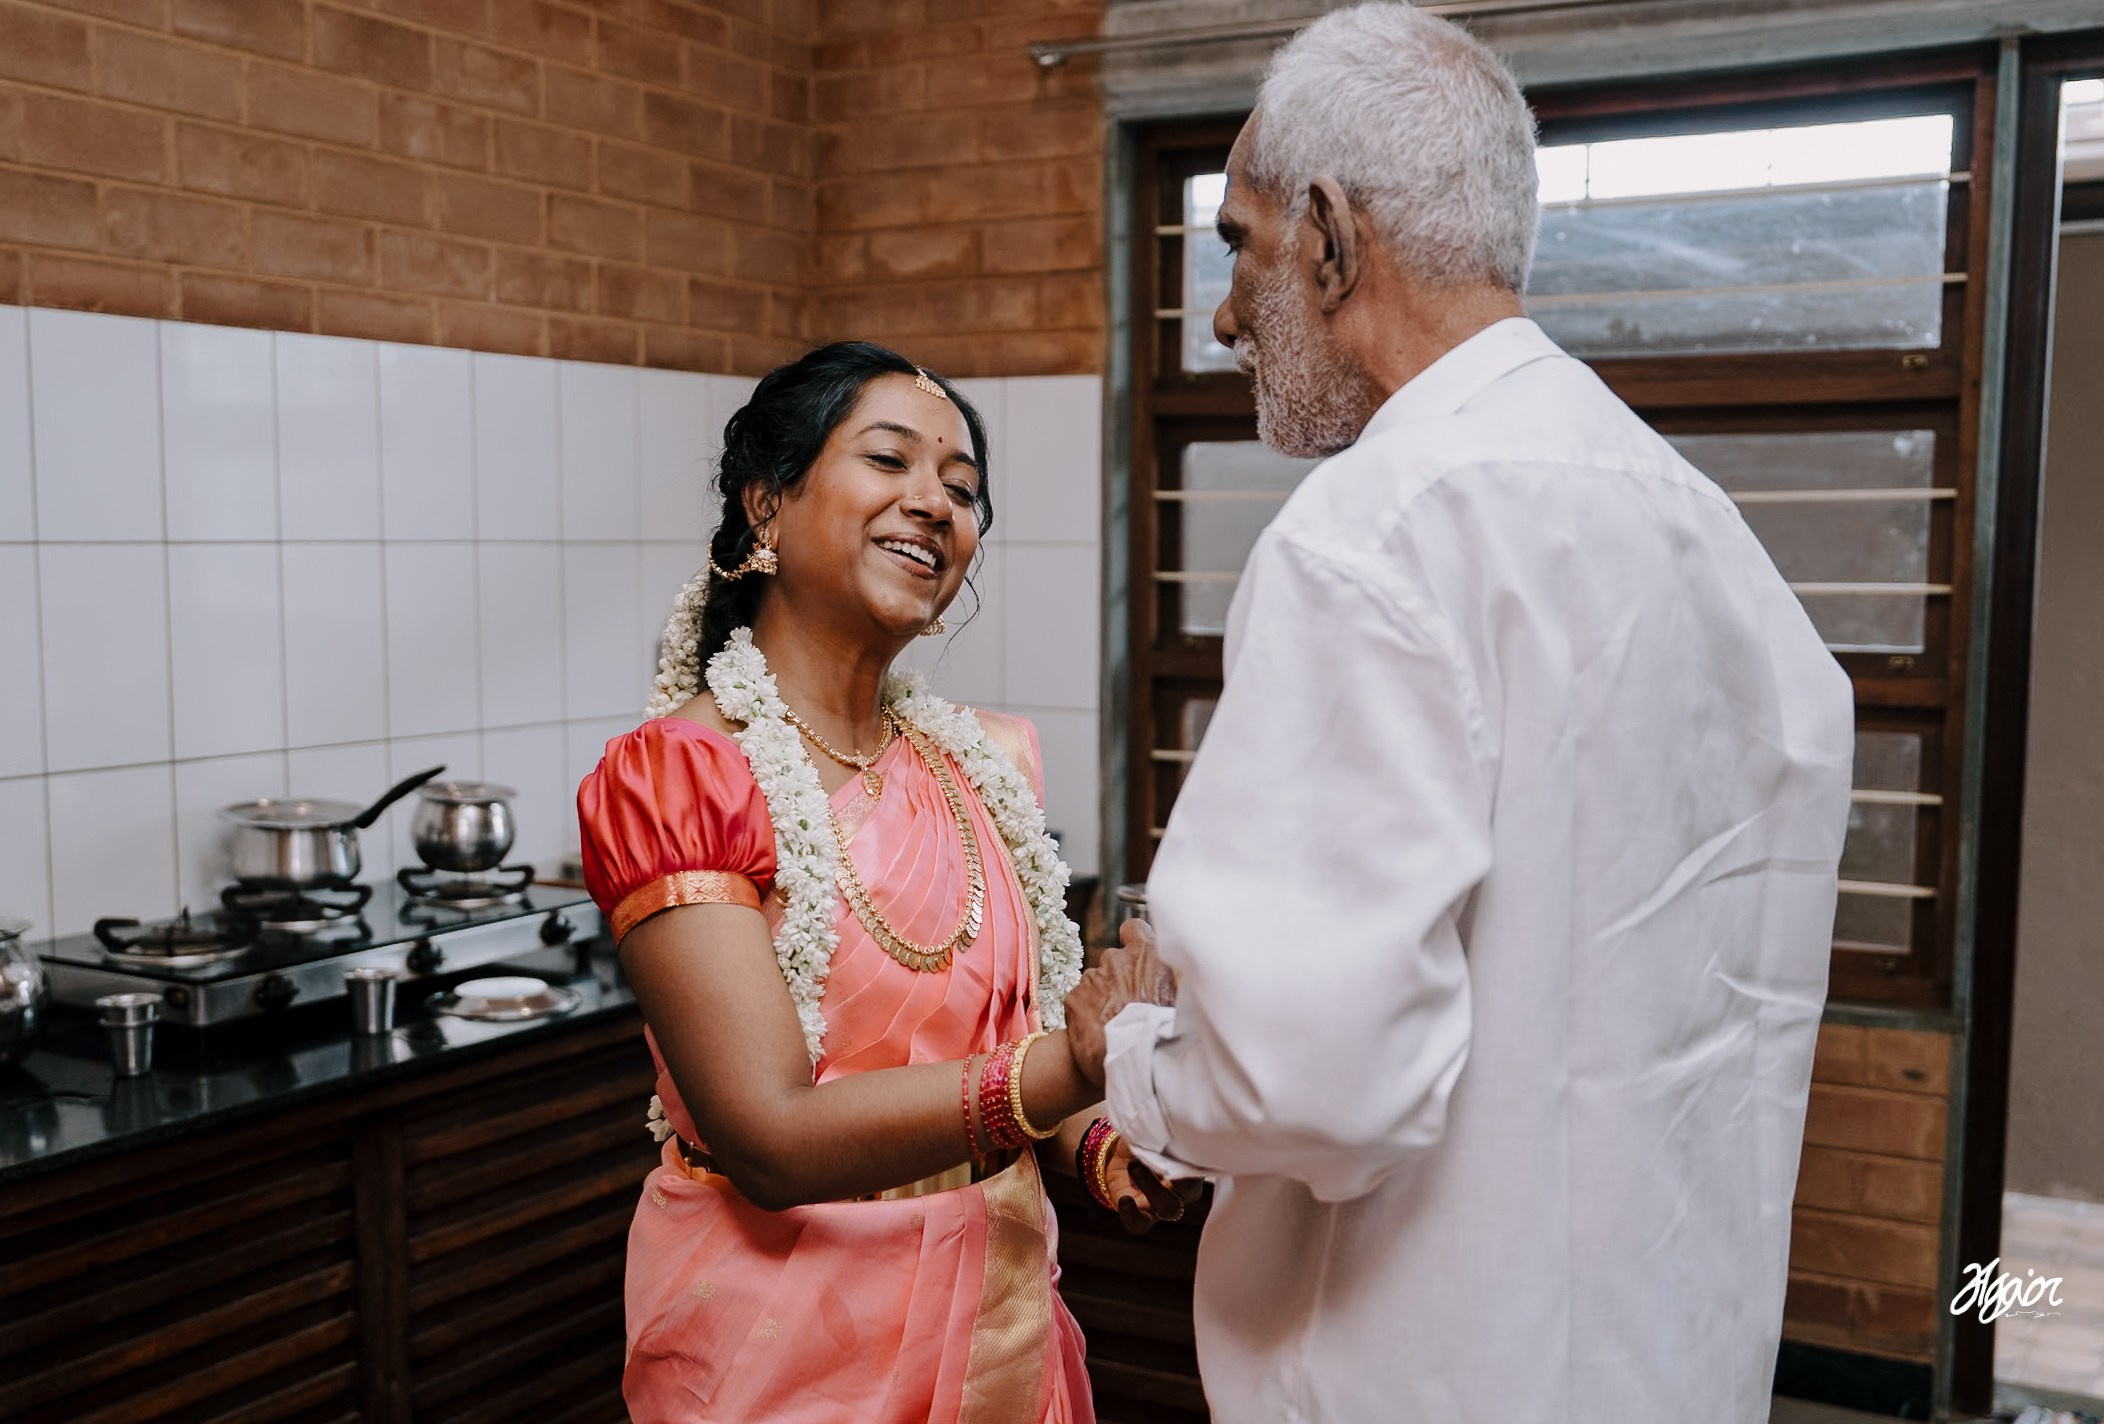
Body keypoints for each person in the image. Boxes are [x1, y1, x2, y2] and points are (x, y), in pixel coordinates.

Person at [1062, 7, 1857, 1422]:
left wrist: (1133, 1056)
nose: (1226, 315)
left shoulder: (1371, 537)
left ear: (1327, 233)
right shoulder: (1713, 538)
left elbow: (1308, 1083)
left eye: (1237, 245)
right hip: (1667, 1364)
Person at [577, 341, 1189, 1423]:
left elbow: (1021, 1046)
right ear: (767, 503)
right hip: (783, 1345)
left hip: (1001, 1324)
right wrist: (1066, 1065)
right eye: (890, 461)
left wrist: (1105, 1147)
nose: (934, 504)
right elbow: (768, 1133)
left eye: (961, 487)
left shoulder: (987, 763)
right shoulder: (682, 775)